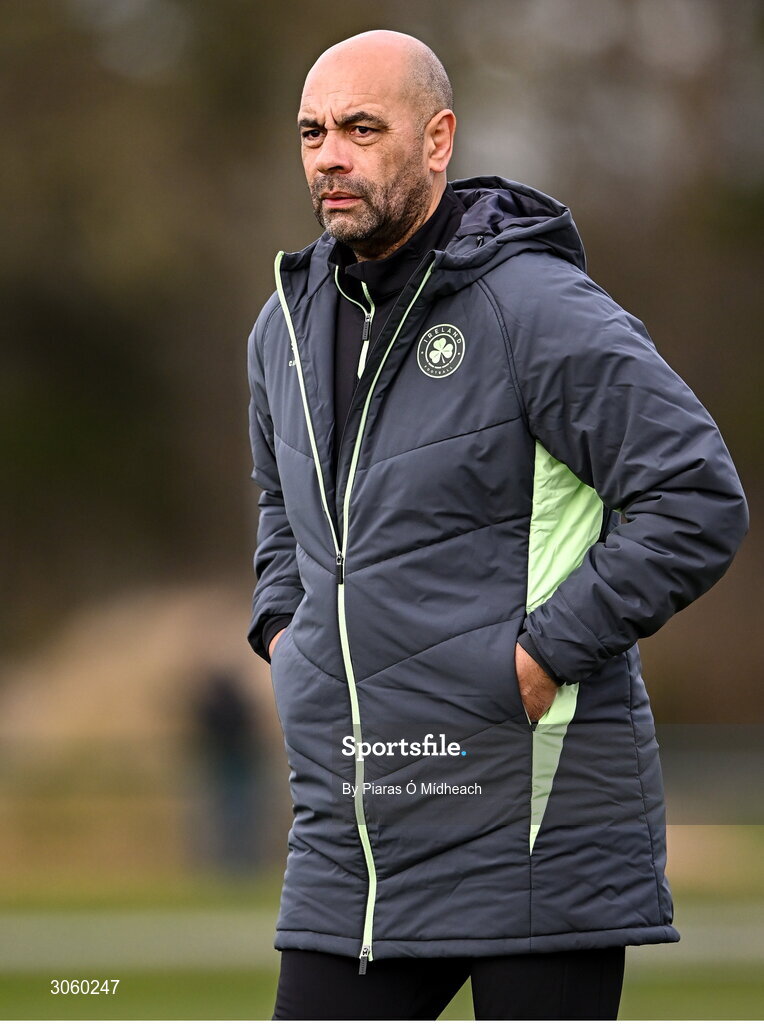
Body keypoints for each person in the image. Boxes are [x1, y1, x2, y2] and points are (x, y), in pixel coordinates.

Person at [246, 29, 748, 1021]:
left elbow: (693, 497)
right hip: (352, 839)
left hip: (533, 834)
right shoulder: (282, 327)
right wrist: (283, 633)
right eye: (312, 132)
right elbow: (278, 510)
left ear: (436, 141)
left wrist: (537, 655)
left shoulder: (536, 308)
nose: (329, 156)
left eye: (359, 128)